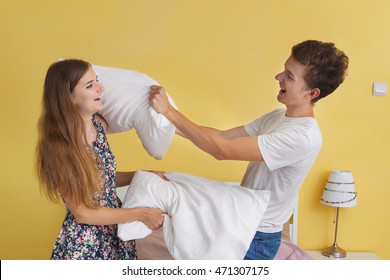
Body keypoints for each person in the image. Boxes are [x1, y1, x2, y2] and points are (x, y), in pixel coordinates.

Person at [149, 40, 349, 260]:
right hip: (240, 223)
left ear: (311, 93)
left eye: (289, 76)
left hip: (256, 236)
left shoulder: (301, 138)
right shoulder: (277, 117)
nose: (278, 77)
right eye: (284, 69)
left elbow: (221, 150)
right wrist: (164, 121)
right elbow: (221, 136)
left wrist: (168, 111)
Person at [35, 59, 165, 260]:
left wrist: (142, 175)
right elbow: (83, 213)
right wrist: (142, 214)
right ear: (69, 98)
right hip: (86, 243)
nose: (100, 88)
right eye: (90, 85)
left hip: (114, 234)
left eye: (96, 81)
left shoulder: (98, 126)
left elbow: (103, 180)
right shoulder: (60, 148)